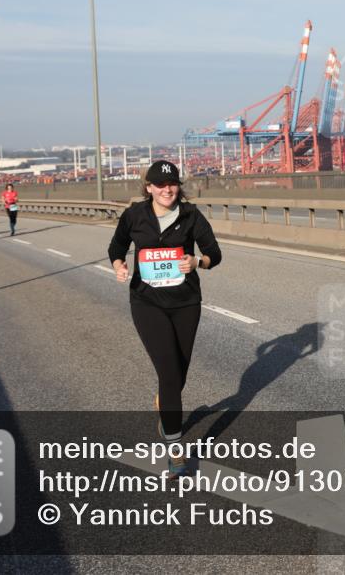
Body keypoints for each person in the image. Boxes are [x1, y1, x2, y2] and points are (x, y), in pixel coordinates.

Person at [108, 160, 222, 478]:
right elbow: (117, 246)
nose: (166, 189)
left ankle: (165, 405)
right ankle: (175, 450)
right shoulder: (134, 216)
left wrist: (197, 261)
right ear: (148, 188)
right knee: (169, 374)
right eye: (159, 184)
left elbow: (215, 252)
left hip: (186, 303)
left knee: (179, 373)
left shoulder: (191, 215)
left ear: (178, 186)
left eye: (171, 184)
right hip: (147, 303)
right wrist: (119, 265)